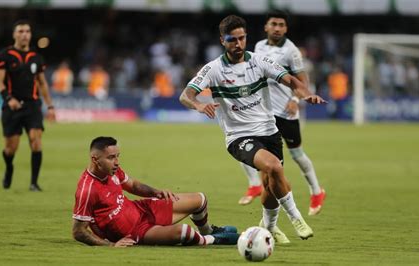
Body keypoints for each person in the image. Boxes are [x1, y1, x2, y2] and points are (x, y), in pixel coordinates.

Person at [179, 15, 326, 242]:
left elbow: (291, 80)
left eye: (241, 38)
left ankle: (268, 228)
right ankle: (297, 218)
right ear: (222, 40)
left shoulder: (259, 61)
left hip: (269, 132)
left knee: (271, 183)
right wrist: (198, 104)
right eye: (232, 40)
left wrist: (306, 95)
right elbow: (185, 95)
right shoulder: (213, 69)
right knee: (273, 166)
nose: (238, 44)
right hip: (239, 137)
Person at [237, 10, 326, 219]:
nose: (277, 28)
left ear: (286, 28)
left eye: (281, 25)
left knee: (296, 154)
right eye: (273, 24)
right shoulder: (259, 46)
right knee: (244, 142)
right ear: (266, 27)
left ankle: (316, 191)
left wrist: (296, 100)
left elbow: (303, 80)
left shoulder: (291, 51)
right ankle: (254, 185)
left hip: (286, 112)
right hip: (264, 112)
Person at [72, 136, 239, 247]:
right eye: (111, 158)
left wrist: (156, 193)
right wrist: (110, 244)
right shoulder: (87, 190)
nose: (116, 162)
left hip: (141, 209)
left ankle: (207, 231)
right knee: (183, 232)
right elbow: (78, 231)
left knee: (200, 199)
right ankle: (213, 240)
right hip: (135, 231)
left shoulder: (112, 171)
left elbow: (133, 185)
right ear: (95, 159)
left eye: (118, 156)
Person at [0, 20, 55, 191]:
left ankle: (34, 183)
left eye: (27, 31)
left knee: (36, 141)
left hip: (33, 106)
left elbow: (42, 84)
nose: (24, 34)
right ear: (14, 34)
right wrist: (8, 99)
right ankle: (9, 167)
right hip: (12, 107)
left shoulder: (36, 57)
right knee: (10, 149)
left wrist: (50, 106)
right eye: (20, 31)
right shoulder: (4, 56)